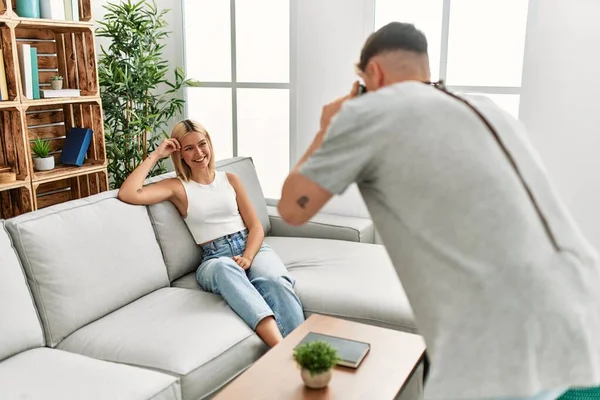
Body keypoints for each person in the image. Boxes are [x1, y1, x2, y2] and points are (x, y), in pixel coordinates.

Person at [277, 21, 600, 400]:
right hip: (578, 307)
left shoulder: (367, 113)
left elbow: (292, 209)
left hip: (493, 341)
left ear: (374, 73)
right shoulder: (488, 108)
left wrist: (326, 128)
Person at [118, 119, 305, 347]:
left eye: (202, 144)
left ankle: (305, 351)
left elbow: (255, 227)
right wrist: (156, 155)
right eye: (189, 148)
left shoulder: (230, 180)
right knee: (225, 268)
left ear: (209, 144)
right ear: (181, 155)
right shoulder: (177, 187)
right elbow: (128, 193)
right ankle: (282, 351)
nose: (198, 153)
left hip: (250, 247)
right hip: (214, 258)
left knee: (274, 279)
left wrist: (247, 256)